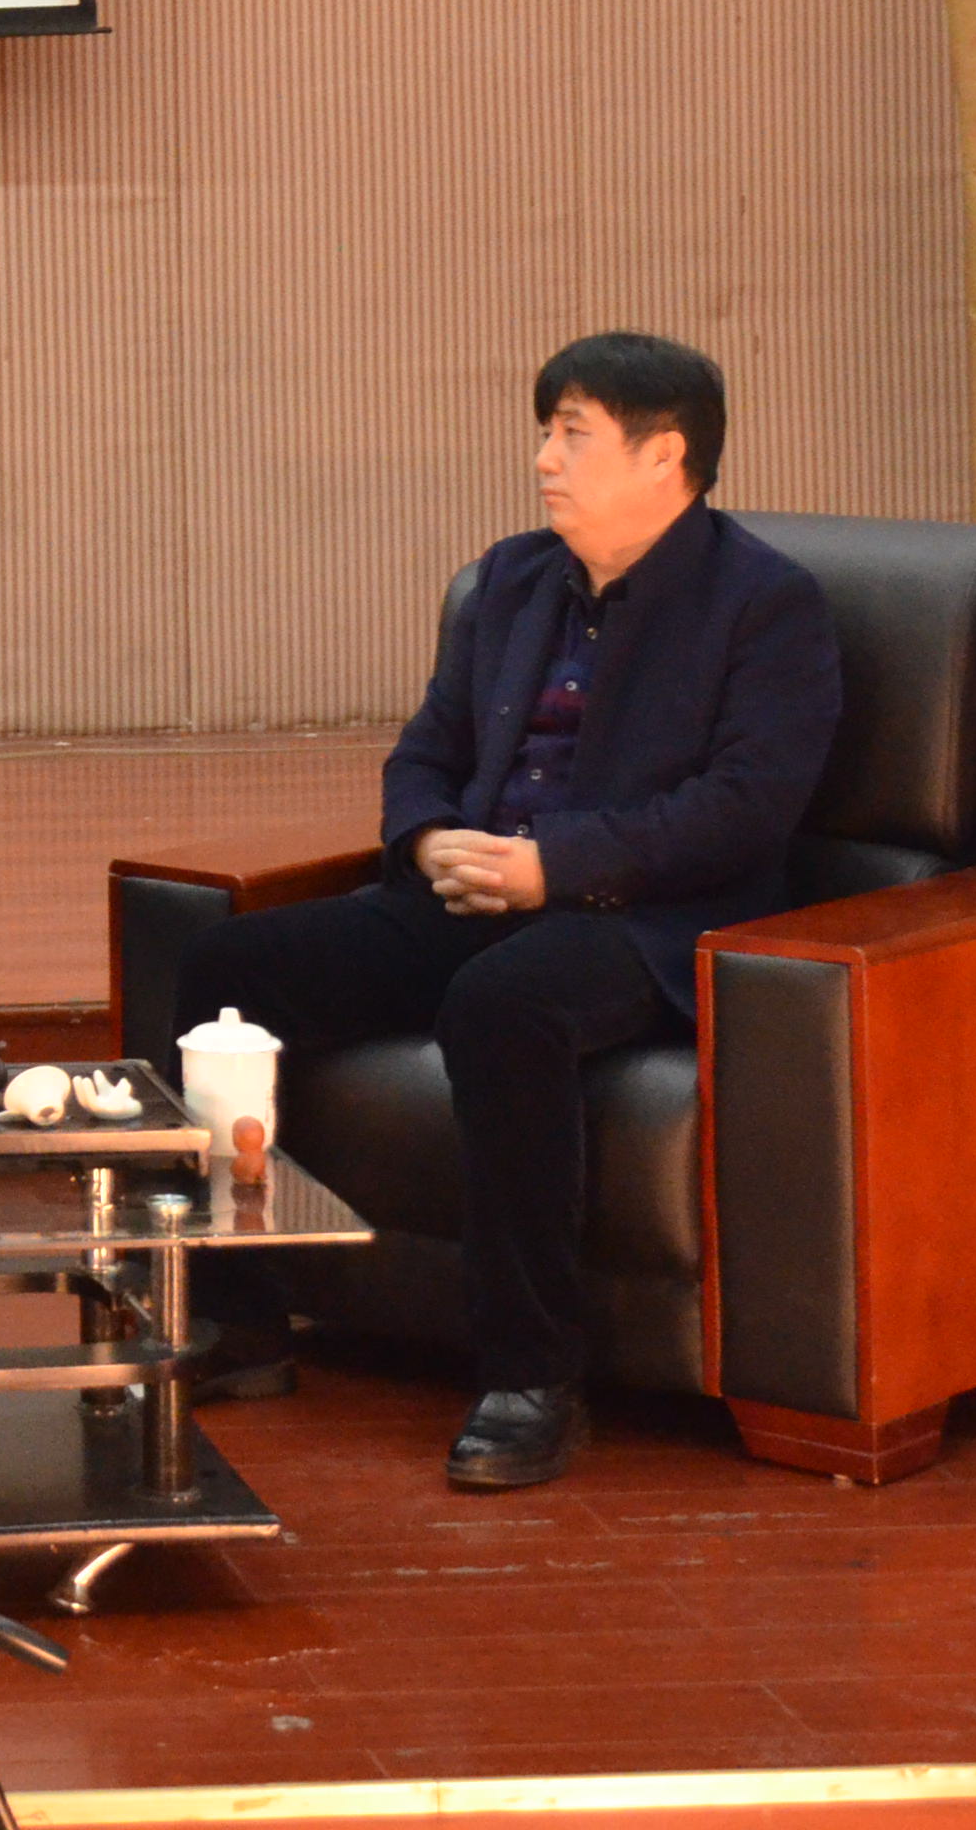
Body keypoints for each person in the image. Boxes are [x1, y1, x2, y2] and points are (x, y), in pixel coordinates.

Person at [181, 331, 840, 1492]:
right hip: (470, 892)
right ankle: (239, 1319)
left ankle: (529, 1374)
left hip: (648, 922)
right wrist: (426, 839)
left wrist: (554, 867)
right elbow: (423, 750)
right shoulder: (512, 579)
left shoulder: (763, 605)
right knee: (223, 971)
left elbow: (744, 808)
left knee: (503, 1004)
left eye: (570, 435)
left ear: (663, 455)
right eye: (544, 433)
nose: (542, 460)